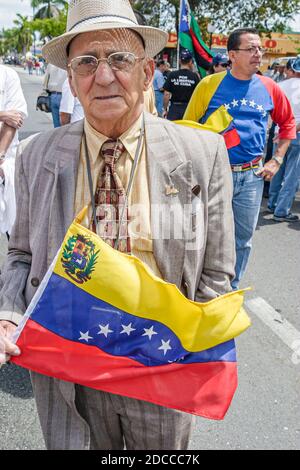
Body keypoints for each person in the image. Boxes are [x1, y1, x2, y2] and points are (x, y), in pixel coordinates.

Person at [0, 0, 236, 450]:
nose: (103, 76)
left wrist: (186, 345)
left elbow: (216, 273)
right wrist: (8, 317)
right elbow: (20, 254)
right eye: (86, 62)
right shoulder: (35, 155)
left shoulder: (203, 154)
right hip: (66, 361)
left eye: (119, 59)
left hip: (160, 363)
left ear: (148, 73)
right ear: (70, 79)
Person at [184, 27, 296, 289]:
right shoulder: (209, 85)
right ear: (232, 55)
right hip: (214, 174)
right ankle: (201, 287)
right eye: (251, 49)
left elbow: (288, 124)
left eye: (260, 49)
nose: (258, 54)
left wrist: (277, 159)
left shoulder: (270, 87)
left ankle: (231, 292)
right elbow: (187, 128)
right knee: (206, 236)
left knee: (242, 239)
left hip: (253, 176)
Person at [268, 57, 300, 222]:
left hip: (279, 132)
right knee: (292, 175)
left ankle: (273, 203)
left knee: (278, 168)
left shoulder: (279, 86)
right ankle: (281, 210)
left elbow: (270, 112)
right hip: (296, 134)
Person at [0, 63, 27, 238]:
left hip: (4, 160)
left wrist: (0, 154)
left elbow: (15, 118)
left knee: (15, 229)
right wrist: (2, 114)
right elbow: (8, 117)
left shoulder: (8, 75)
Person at [163, 49, 200, 120]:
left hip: (174, 109)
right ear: (190, 62)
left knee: (172, 130)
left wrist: (165, 109)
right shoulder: (195, 76)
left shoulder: (172, 74)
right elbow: (198, 95)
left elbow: (166, 94)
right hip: (189, 109)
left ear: (179, 61)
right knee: (187, 130)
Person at [42, 63, 67, 128]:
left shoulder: (50, 64)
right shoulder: (67, 63)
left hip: (53, 95)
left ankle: (58, 137)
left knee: (56, 124)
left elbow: (45, 80)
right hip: (66, 96)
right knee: (67, 124)